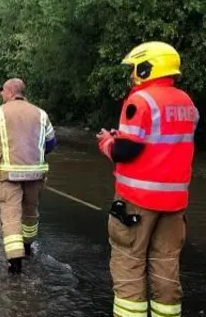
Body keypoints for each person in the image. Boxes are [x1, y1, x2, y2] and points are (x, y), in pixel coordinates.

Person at [96, 42, 198, 317]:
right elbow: (160, 144)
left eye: (134, 69)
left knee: (129, 263)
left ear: (147, 67)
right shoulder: (187, 102)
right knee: (166, 266)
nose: (132, 76)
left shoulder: (140, 101)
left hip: (137, 202)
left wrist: (107, 142)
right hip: (175, 203)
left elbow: (126, 151)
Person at [0, 78, 57, 274]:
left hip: (8, 176)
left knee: (11, 217)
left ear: (12, 92)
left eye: (3, 91)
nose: (1, 94)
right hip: (36, 175)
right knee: (30, 213)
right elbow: (51, 144)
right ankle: (29, 249)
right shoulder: (41, 114)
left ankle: (15, 265)